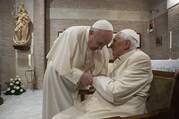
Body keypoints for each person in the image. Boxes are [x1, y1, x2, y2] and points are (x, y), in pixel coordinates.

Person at [52, 29, 153, 119]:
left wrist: (94, 79)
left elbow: (115, 92)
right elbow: (109, 83)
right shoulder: (121, 59)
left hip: (121, 109)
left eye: (115, 40)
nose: (110, 45)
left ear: (126, 44)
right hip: (104, 104)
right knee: (58, 117)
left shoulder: (140, 59)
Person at [42, 20, 113, 119]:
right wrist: (81, 75)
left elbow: (100, 70)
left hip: (74, 81)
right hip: (57, 78)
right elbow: (60, 63)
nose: (101, 48)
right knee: (58, 109)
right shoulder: (72, 34)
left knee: (74, 109)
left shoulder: (101, 46)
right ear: (91, 33)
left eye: (104, 45)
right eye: (99, 43)